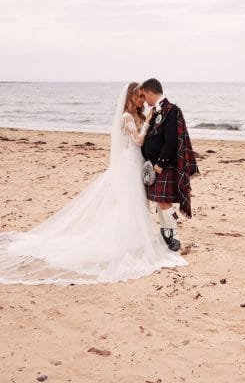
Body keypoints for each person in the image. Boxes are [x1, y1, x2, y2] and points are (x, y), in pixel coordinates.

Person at [0, 83, 187, 285]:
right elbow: (139, 141)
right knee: (129, 202)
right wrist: (149, 122)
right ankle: (125, 241)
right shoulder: (126, 116)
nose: (142, 100)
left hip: (138, 164)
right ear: (131, 97)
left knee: (139, 203)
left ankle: (137, 239)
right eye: (139, 97)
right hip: (129, 165)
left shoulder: (140, 114)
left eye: (143, 97)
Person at [140, 78, 199, 252]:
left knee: (164, 203)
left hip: (163, 165)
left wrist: (160, 164)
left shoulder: (171, 110)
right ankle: (166, 233)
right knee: (160, 202)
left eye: (144, 96)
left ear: (150, 92)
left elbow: (171, 141)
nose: (144, 100)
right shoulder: (156, 111)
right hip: (154, 165)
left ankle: (174, 237)